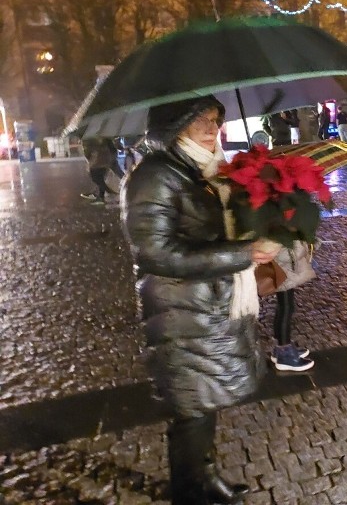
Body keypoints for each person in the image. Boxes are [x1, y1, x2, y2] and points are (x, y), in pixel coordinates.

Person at [121, 95, 280, 504]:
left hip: (205, 306)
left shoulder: (200, 171)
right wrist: (241, 254)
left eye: (215, 119)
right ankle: (189, 492)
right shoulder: (156, 176)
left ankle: (201, 479)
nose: (213, 129)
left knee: (200, 404)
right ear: (175, 125)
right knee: (192, 406)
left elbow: (211, 230)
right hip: (180, 310)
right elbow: (156, 253)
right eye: (200, 121)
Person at [269, 241, 316, 372]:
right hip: (282, 260)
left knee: (283, 305)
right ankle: (284, 352)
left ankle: (281, 347)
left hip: (282, 258)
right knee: (286, 307)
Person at [81, 138, 119, 204]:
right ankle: (101, 197)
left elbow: (94, 153)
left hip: (98, 164)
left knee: (97, 179)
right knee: (100, 180)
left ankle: (110, 192)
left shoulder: (95, 142)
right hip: (102, 163)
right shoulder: (102, 141)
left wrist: (91, 164)